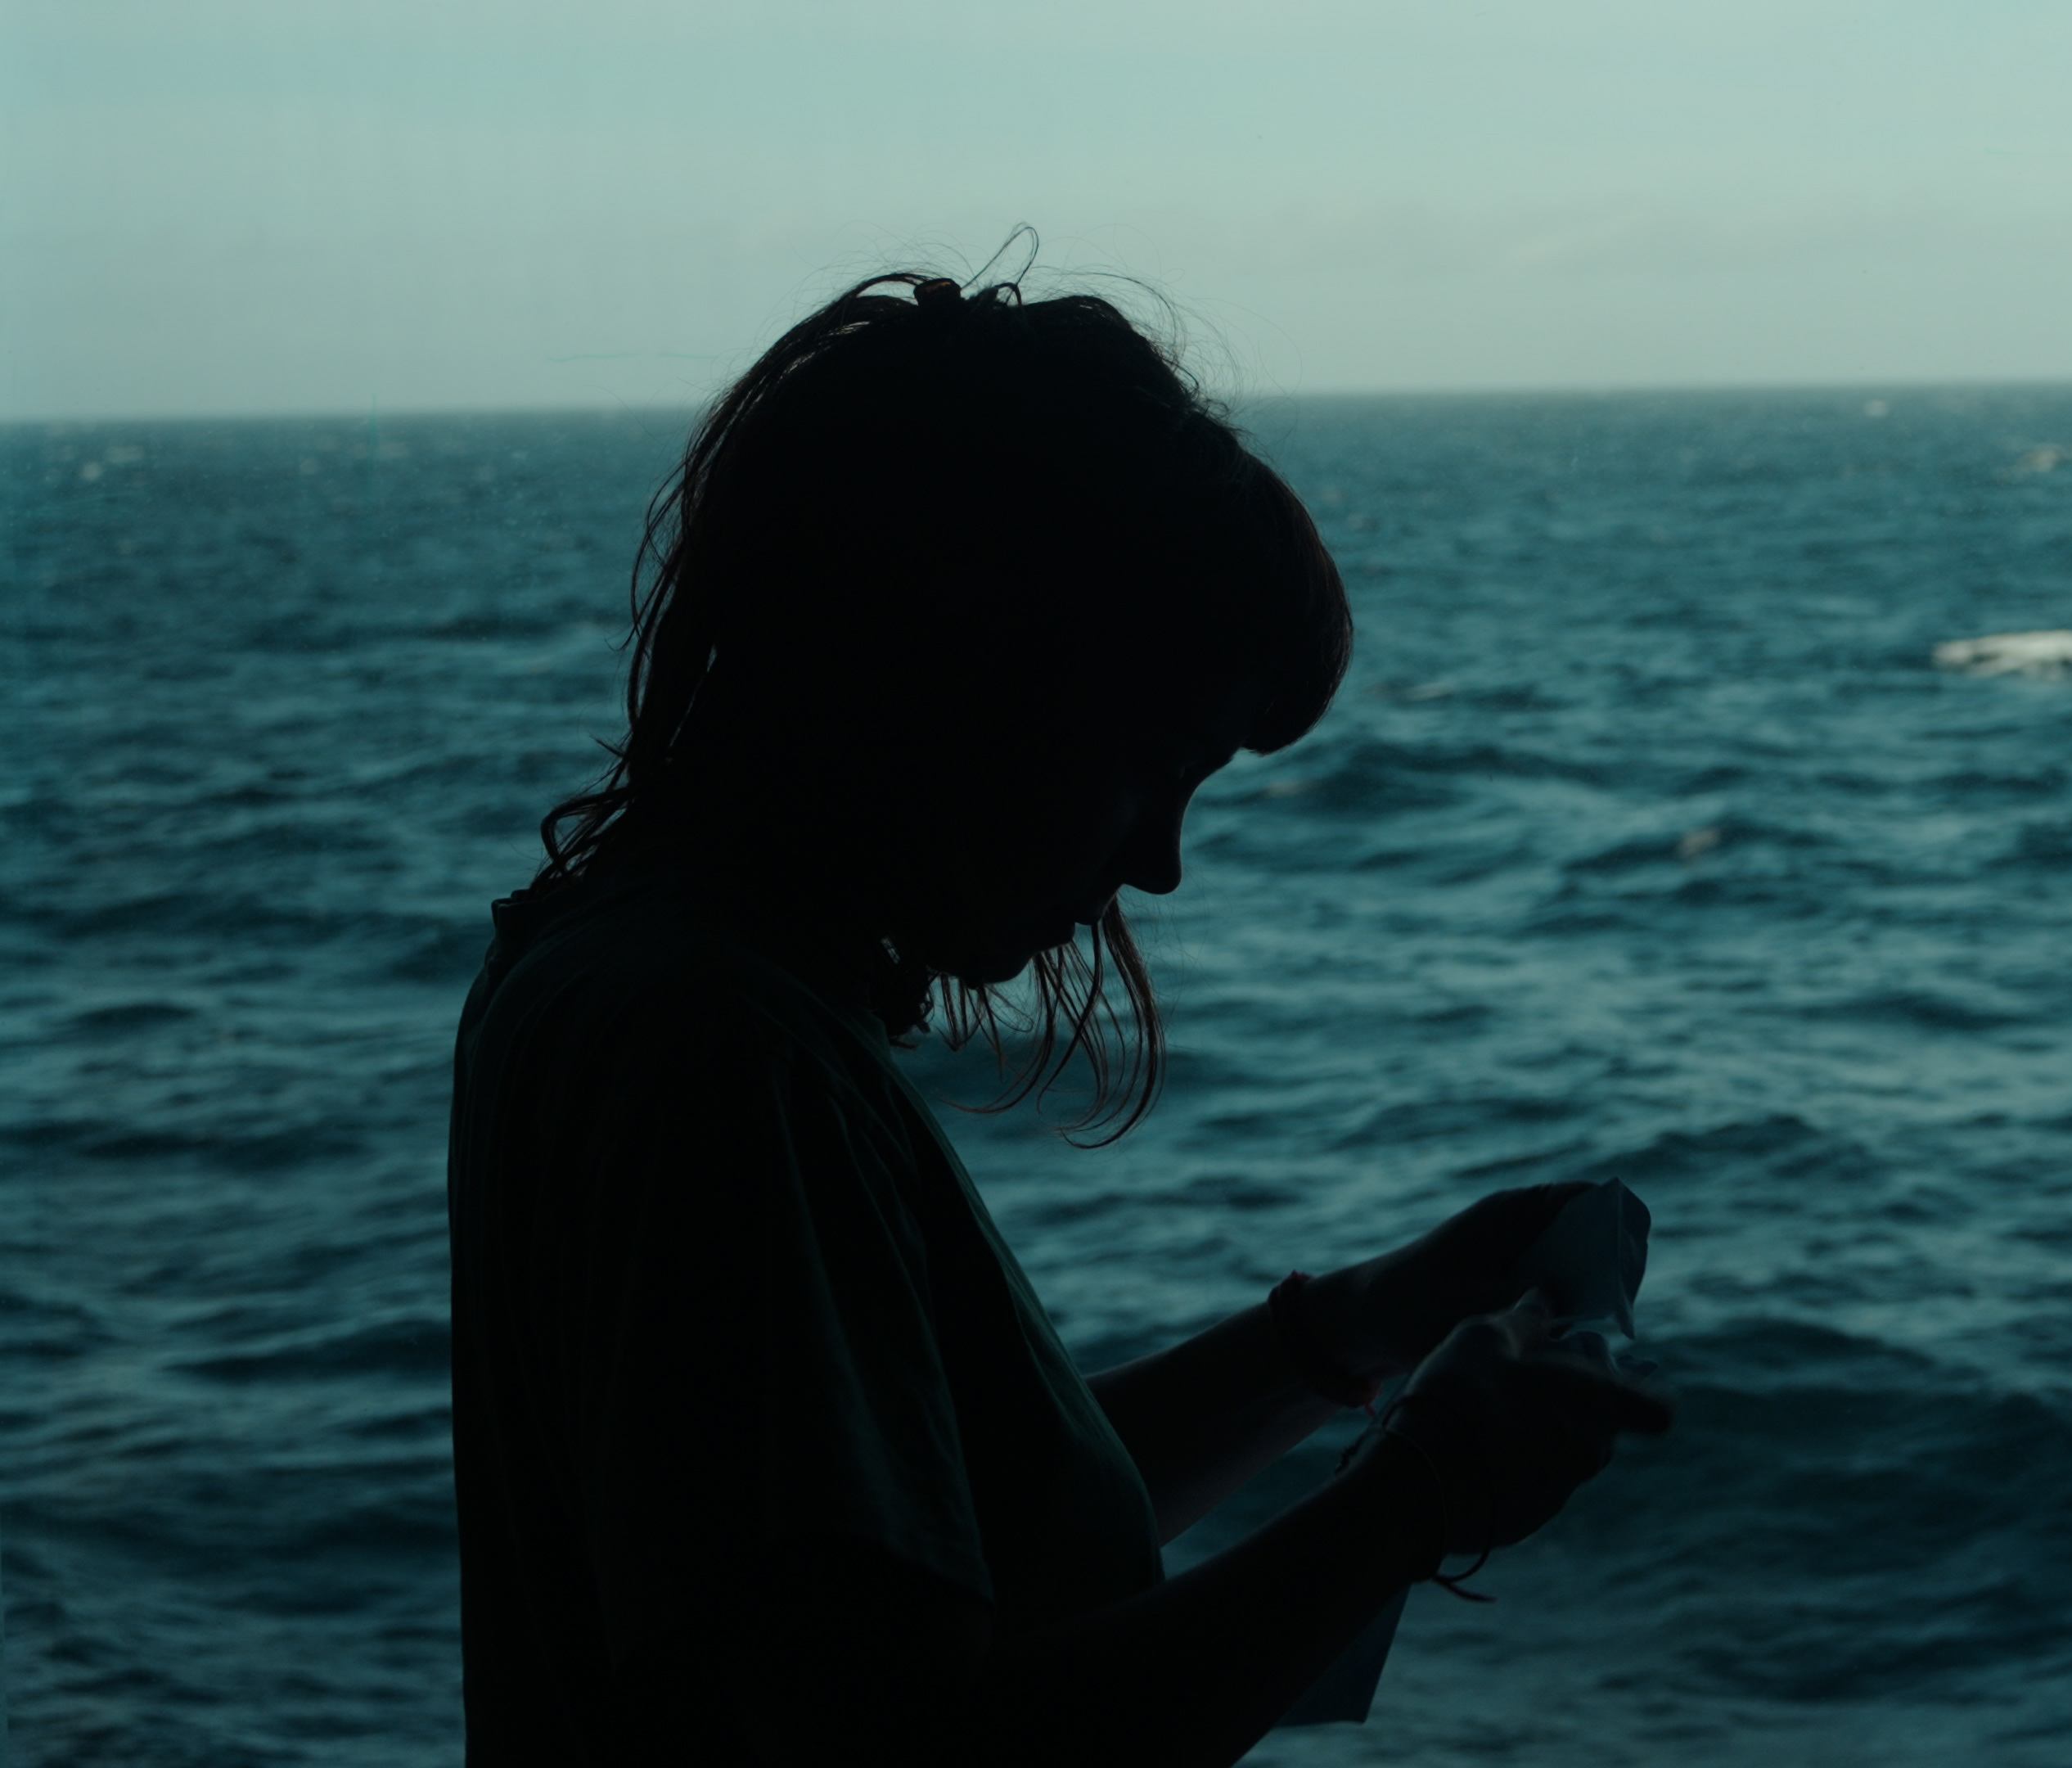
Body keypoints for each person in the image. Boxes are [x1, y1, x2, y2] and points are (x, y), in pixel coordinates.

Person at [446, 271, 1673, 1765]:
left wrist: (1349, 1329)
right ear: (961, 681)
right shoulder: (730, 1059)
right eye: (1147, 763)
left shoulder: (604, 970)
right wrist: (1420, 1493)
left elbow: (949, 1534)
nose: (1159, 861)